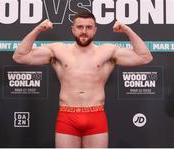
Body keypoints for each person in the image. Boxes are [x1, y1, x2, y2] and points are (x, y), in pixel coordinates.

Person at [12, 11, 153, 148]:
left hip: (95, 115)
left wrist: (127, 30)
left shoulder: (107, 52)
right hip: (67, 115)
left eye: (89, 27)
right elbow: (20, 56)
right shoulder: (58, 50)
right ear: (73, 29)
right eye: (80, 27)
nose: (84, 31)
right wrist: (38, 29)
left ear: (95, 30)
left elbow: (144, 57)